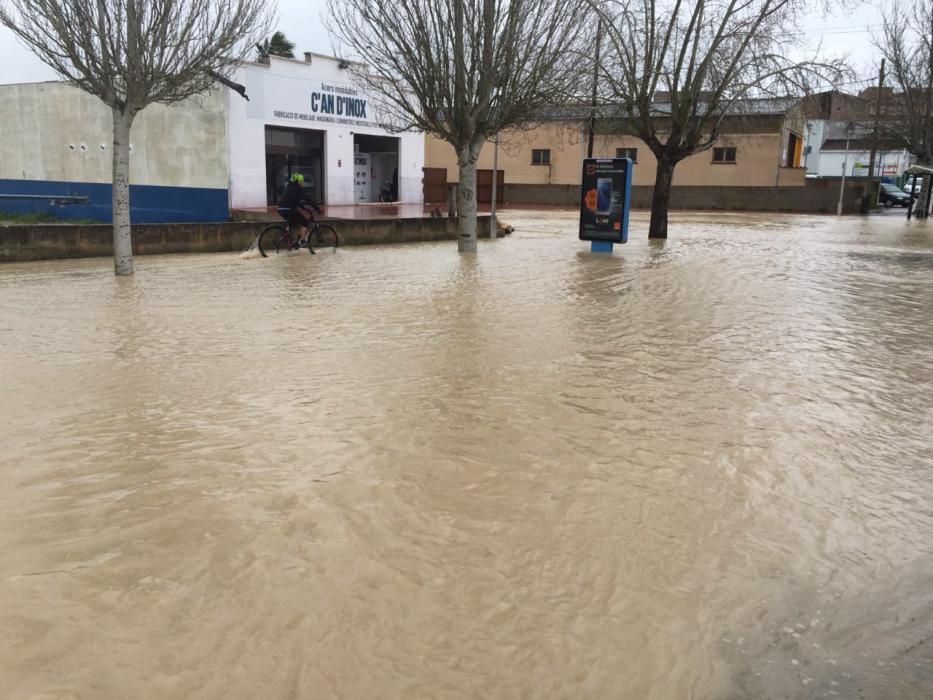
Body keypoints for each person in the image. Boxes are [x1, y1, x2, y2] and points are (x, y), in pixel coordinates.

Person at [277, 173, 321, 248]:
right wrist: (317, 208)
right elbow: (307, 199)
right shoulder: (297, 188)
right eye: (301, 181)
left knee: (292, 223)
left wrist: (304, 208)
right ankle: (303, 241)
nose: (302, 183)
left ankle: (288, 239)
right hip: (289, 209)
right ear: (298, 181)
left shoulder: (289, 187)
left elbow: (296, 201)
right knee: (305, 222)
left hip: (281, 209)